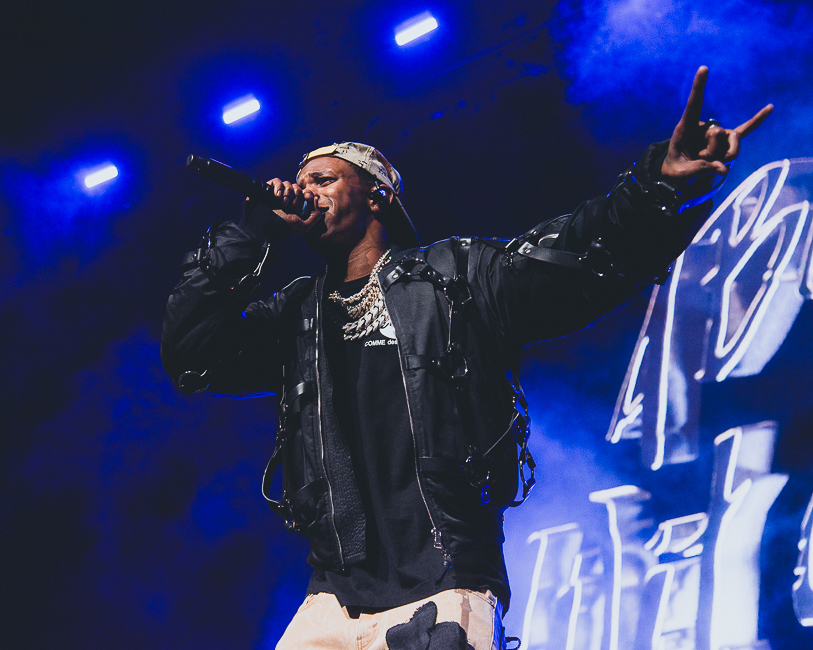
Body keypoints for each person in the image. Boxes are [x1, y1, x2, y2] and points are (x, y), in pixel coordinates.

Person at [161, 67, 771, 649]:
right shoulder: (296, 317)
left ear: (377, 196)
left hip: (445, 583)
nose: (305, 188)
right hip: (333, 598)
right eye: (303, 179)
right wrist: (248, 236)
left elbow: (580, 251)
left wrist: (660, 182)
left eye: (324, 178)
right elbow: (192, 355)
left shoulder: (457, 277)